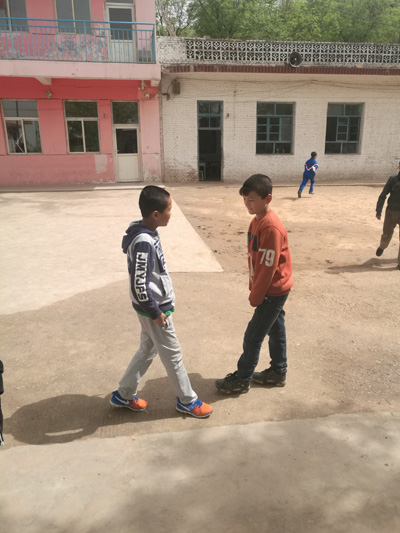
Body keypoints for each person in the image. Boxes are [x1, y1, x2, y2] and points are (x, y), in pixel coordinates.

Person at [110, 186, 213, 418]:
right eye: (169, 209)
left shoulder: (147, 232)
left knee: (147, 349)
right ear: (156, 214)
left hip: (151, 308)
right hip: (154, 310)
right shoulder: (144, 241)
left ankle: (123, 393)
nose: (171, 213)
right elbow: (140, 284)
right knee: (173, 354)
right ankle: (188, 401)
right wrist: (156, 312)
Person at [215, 174, 293, 394]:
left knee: (253, 336)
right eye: (245, 199)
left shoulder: (270, 227)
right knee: (276, 331)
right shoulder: (256, 221)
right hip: (271, 288)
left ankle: (242, 379)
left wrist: (257, 295)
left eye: (251, 200)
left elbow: (268, 268)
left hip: (272, 290)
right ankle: (278, 372)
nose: (247, 204)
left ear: (267, 198)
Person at [375, 161, 400, 269]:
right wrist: (378, 211)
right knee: (387, 234)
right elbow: (383, 194)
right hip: (391, 212)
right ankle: (383, 246)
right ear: (399, 167)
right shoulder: (393, 179)